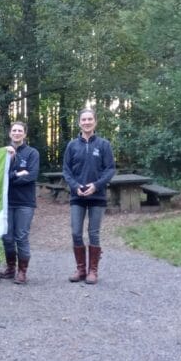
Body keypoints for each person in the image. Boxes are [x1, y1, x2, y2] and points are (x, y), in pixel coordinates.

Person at [62, 108, 116, 284]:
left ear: (95, 122)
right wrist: (75, 186)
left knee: (94, 233)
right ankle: (81, 270)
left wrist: (96, 185)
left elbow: (110, 169)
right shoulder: (72, 145)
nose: (86, 122)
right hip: (77, 196)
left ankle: (93, 271)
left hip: (97, 196)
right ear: (79, 123)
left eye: (90, 119)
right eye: (83, 119)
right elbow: (66, 170)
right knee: (76, 232)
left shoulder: (103, 145)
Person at [1, 121, 39, 284]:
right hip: (6, 202)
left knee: (21, 237)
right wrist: (17, 175)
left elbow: (31, 176)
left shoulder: (32, 153)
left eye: (20, 130)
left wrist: (11, 177)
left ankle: (22, 272)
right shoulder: (2, 153)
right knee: (7, 237)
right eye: (14, 130)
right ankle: (10, 268)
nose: (16, 133)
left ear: (24, 134)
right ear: (10, 134)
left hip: (25, 203)